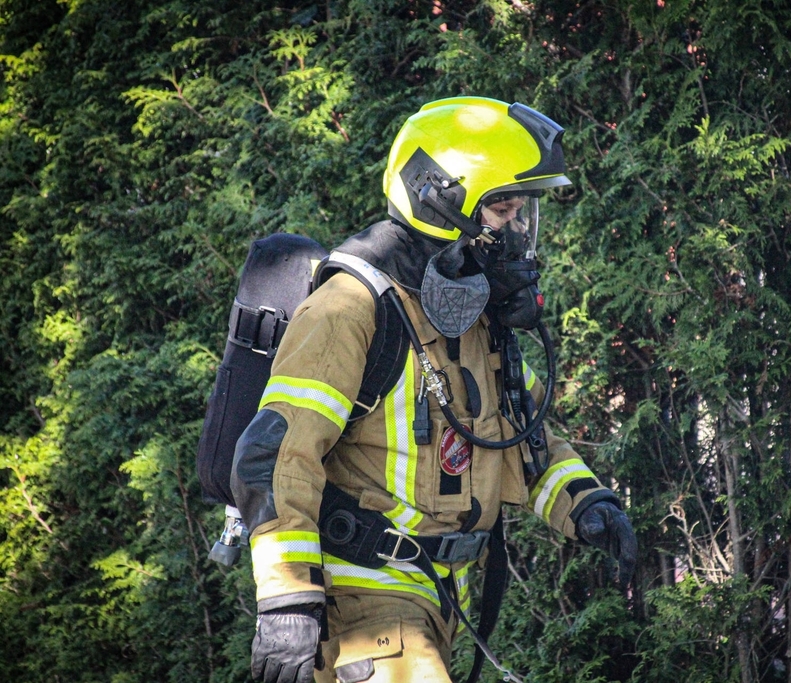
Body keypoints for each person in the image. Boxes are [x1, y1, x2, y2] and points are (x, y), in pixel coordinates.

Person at [230, 96, 637, 683]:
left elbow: (522, 435)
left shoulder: (469, 311)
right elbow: (274, 454)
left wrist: (586, 504)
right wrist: (288, 600)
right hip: (365, 598)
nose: (518, 231)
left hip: (443, 599)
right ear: (444, 200)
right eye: (503, 209)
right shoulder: (349, 310)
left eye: (522, 212)